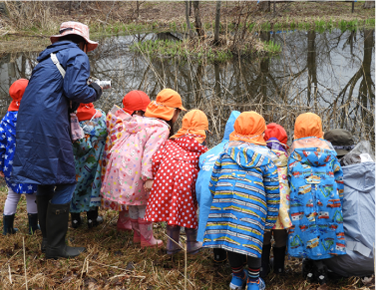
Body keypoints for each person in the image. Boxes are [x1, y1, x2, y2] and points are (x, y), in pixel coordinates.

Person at [11, 21, 102, 259]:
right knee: (65, 179)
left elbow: (52, 91)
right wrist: (96, 90)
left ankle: (46, 241)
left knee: (44, 178)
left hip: (29, 120)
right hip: (50, 121)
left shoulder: (44, 59)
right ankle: (56, 246)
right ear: (83, 43)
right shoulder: (78, 56)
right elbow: (75, 90)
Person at [203, 111, 280, 290]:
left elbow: (213, 183)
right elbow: (273, 193)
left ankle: (237, 278)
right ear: (262, 133)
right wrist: (269, 221)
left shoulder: (225, 153)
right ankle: (253, 282)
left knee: (231, 240)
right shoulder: (267, 159)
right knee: (252, 242)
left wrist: (221, 198)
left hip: (225, 203)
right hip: (252, 208)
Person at [101, 88, 185, 248]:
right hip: (137, 169)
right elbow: (150, 154)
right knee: (143, 204)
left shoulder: (142, 122)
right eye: (178, 113)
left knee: (134, 203)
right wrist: (149, 178)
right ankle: (147, 239)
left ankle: (137, 235)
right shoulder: (160, 128)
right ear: (172, 112)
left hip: (123, 165)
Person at [287, 113, 345, 285]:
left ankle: (313, 269)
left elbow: (289, 178)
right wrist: (338, 200)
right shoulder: (330, 153)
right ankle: (320, 270)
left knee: (307, 231)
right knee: (326, 230)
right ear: (320, 130)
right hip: (329, 200)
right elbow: (339, 179)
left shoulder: (294, 153)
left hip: (302, 202)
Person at [145, 109, 209, 255]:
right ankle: (192, 243)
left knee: (171, 213)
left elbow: (156, 160)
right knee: (188, 212)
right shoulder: (201, 147)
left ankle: (172, 244)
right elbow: (205, 168)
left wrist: (155, 176)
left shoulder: (171, 142)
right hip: (186, 183)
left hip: (165, 181)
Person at [196, 110, 240, 262]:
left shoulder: (211, 151)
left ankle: (218, 256)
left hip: (203, 191)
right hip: (222, 190)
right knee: (226, 216)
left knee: (210, 216)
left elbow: (201, 162)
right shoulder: (239, 150)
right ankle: (230, 254)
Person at [1, 79, 38, 235]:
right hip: (31, 163)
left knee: (12, 195)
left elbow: (1, 145)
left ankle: (7, 229)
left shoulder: (6, 120)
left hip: (11, 164)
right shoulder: (35, 117)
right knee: (32, 195)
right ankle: (33, 227)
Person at [111, 91, 151, 233]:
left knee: (124, 192)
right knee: (132, 194)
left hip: (112, 164)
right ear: (138, 111)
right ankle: (125, 221)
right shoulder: (131, 123)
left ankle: (124, 220)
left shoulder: (115, 118)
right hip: (128, 166)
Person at [260, 123, 292, 278]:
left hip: (265, 206)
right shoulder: (288, 160)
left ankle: (262, 268)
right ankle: (279, 269)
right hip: (282, 208)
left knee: (264, 237)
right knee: (280, 238)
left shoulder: (259, 159)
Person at [70, 103, 107, 229]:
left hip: (75, 164)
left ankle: (75, 219)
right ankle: (92, 218)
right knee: (92, 186)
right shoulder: (101, 119)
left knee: (74, 186)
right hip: (95, 164)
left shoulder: (71, 120)